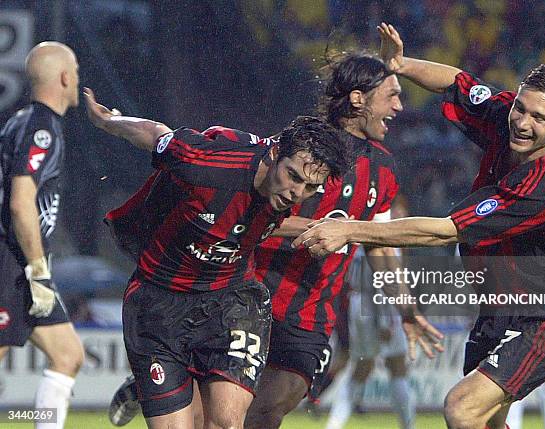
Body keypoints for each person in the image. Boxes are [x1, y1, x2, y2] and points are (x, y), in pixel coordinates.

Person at [107, 30, 443, 429]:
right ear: (358, 99)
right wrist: (322, 229)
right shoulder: (296, 148)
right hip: (245, 293)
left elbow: (379, 245)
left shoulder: (384, 171)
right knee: (205, 419)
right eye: (391, 95)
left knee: (266, 410)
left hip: (310, 315)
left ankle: (159, 380)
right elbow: (245, 200)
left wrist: (405, 308)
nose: (399, 106)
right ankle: (156, 380)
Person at [294, 23, 545, 429]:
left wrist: (351, 230)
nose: (521, 122)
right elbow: (457, 82)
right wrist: (400, 65)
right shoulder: (511, 117)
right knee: (486, 420)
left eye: (538, 117)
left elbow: (444, 230)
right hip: (502, 302)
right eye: (521, 107)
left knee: (461, 407)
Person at [84, 87, 349, 429]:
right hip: (158, 301)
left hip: (232, 301)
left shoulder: (291, 190)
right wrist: (110, 121)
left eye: (310, 187)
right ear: (272, 155)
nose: (296, 192)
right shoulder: (207, 161)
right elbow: (157, 135)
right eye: (293, 176)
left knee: (226, 423)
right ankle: (154, 382)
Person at [0, 41, 84, 429]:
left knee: (67, 355)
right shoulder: (41, 127)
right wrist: (36, 270)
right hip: (11, 262)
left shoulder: (22, 119)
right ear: (65, 78)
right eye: (77, 72)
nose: (78, 79)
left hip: (25, 264)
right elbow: (20, 203)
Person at [325, 245, 415, 429]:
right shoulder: (385, 240)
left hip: (356, 303)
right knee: (397, 365)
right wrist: (386, 321)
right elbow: (384, 279)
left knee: (361, 367)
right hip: (379, 305)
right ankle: (408, 426)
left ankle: (333, 425)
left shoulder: (358, 238)